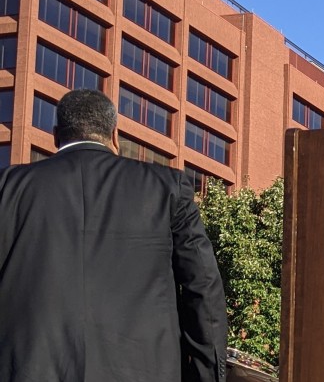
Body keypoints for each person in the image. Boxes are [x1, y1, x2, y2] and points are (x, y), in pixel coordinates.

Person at [0, 89, 227, 382]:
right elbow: (203, 288)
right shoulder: (168, 188)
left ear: (56, 136)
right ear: (115, 135)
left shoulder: (7, 187)